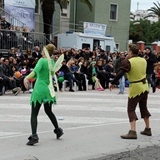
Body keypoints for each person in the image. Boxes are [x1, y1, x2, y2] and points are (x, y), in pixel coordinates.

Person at [24, 44, 64, 145]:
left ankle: (34, 135)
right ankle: (58, 130)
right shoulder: (51, 62)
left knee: (34, 113)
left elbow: (35, 72)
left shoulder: (42, 61)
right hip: (48, 90)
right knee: (48, 111)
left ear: (44, 51)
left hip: (39, 89)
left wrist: (26, 78)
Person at [109, 43, 151, 139]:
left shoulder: (128, 61)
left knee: (131, 109)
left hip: (136, 87)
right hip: (144, 86)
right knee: (143, 107)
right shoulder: (143, 60)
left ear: (131, 52)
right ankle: (148, 129)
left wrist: (113, 82)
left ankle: (133, 131)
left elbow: (121, 73)